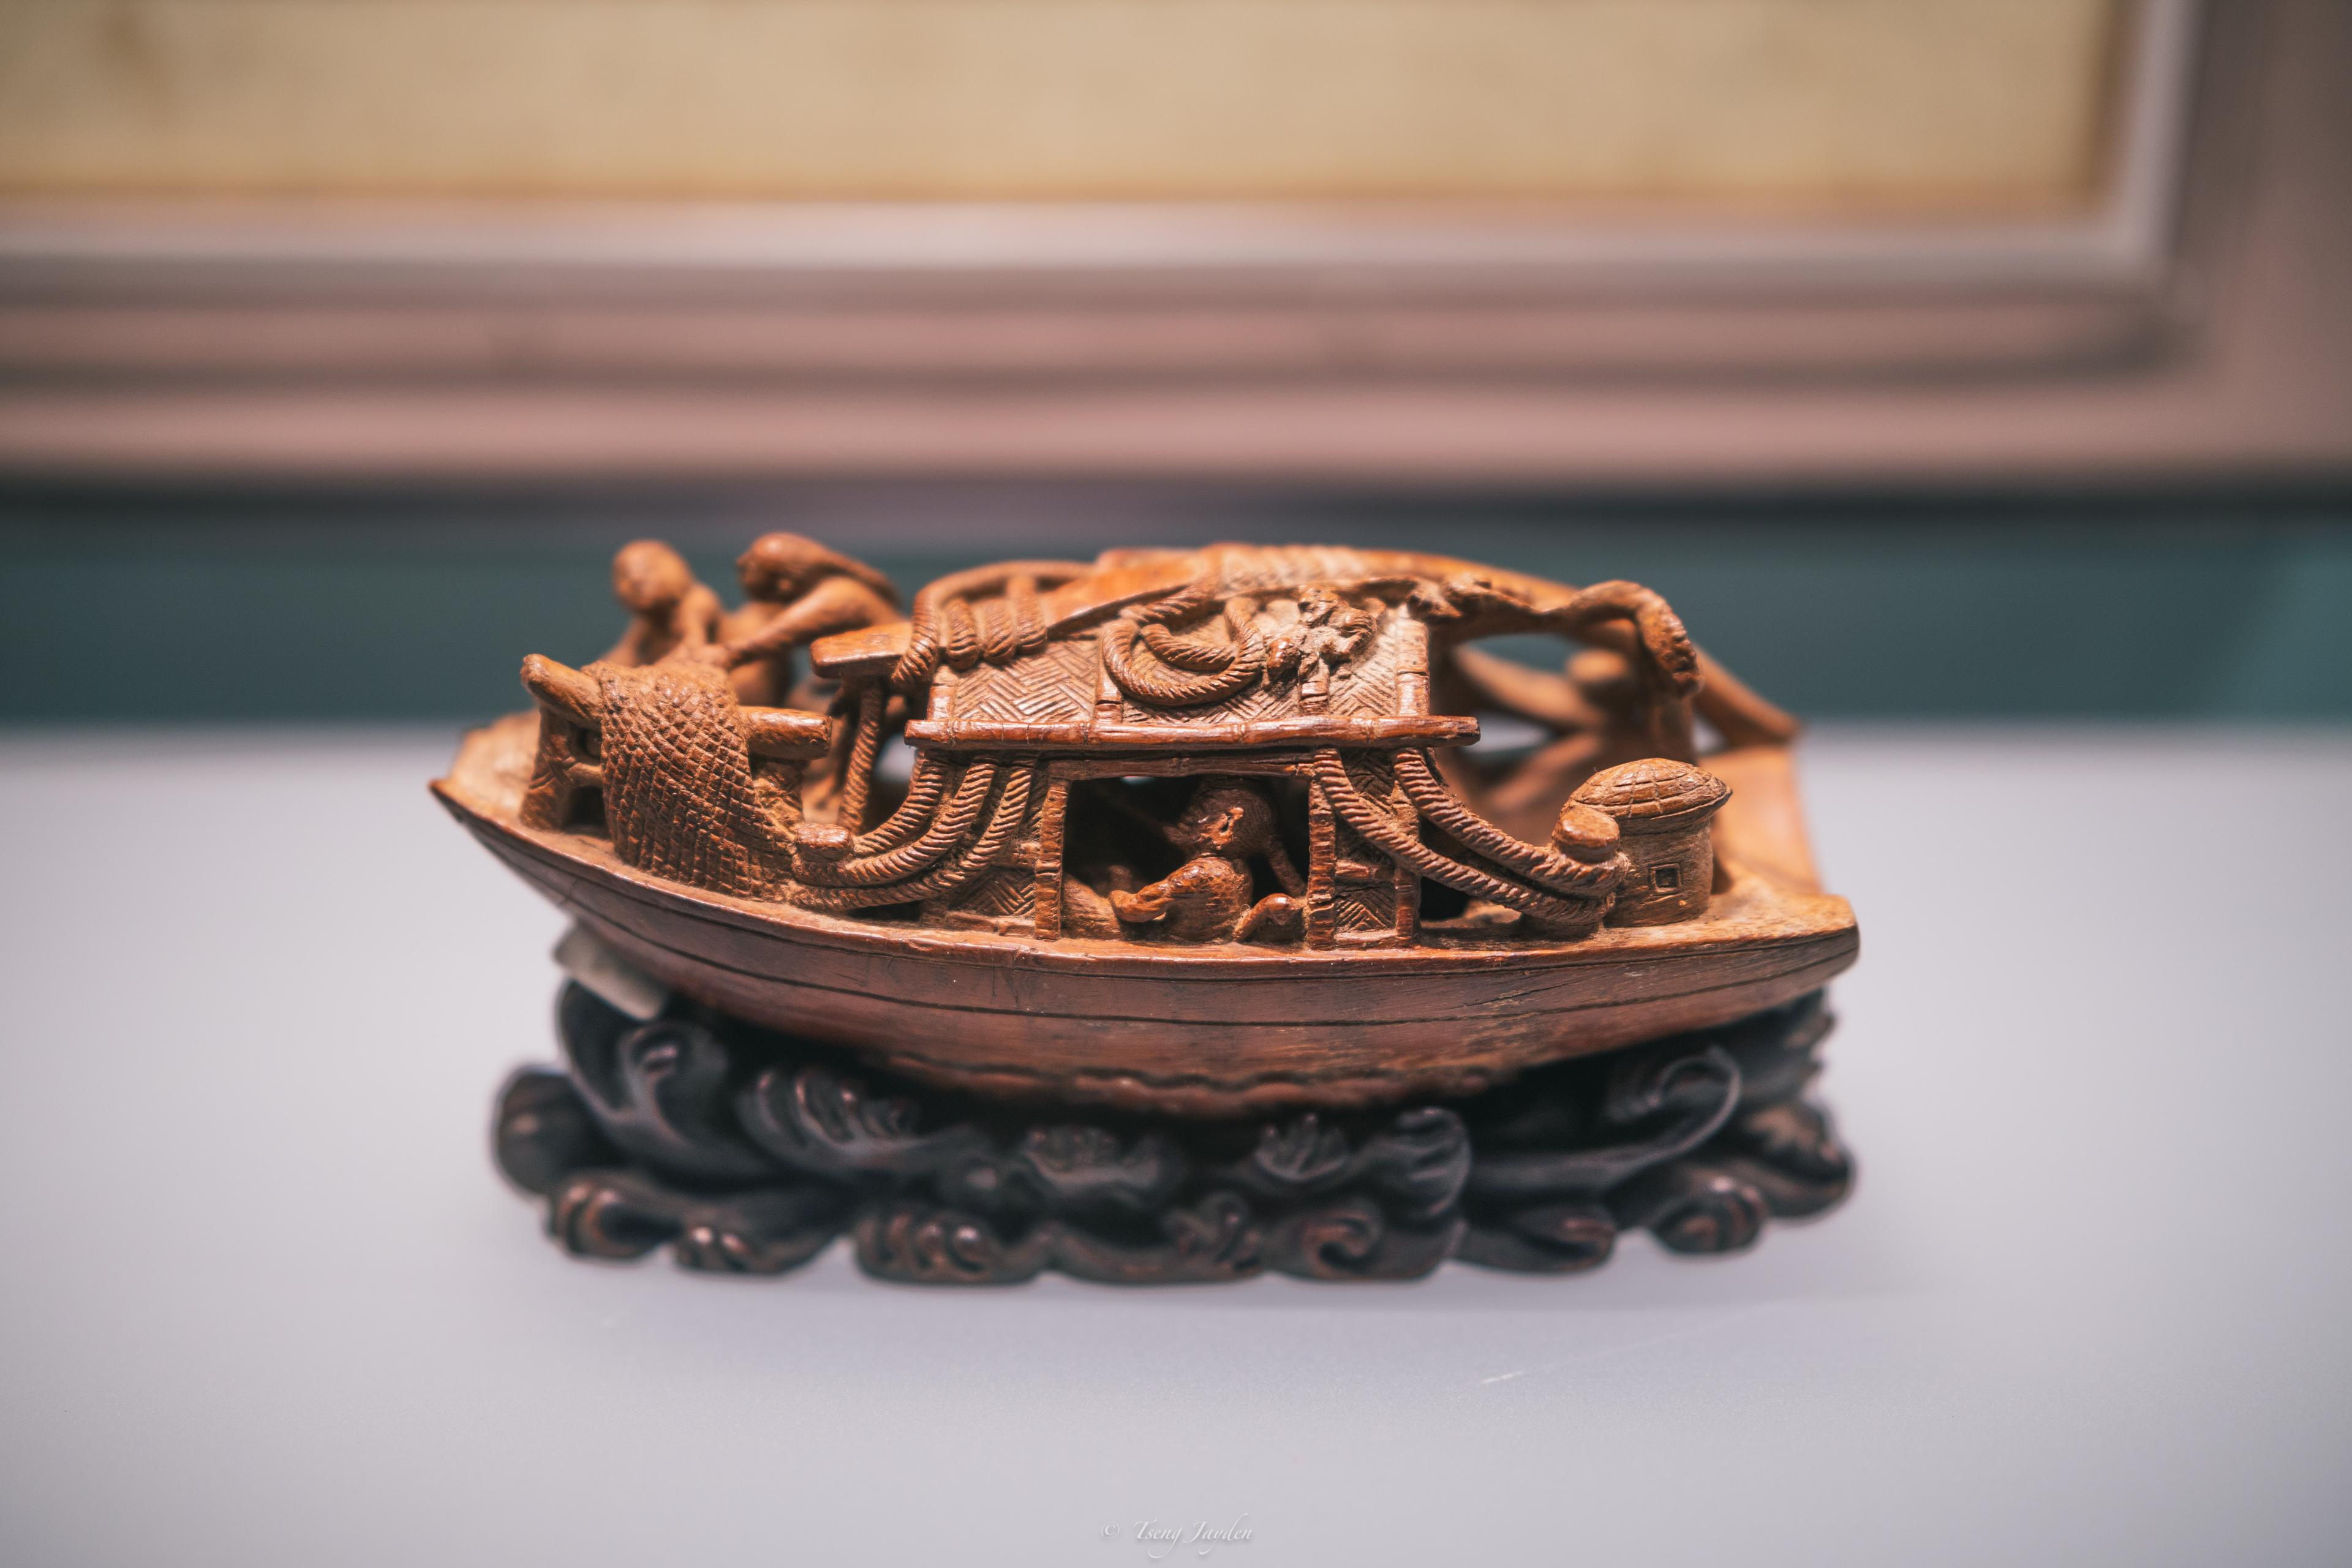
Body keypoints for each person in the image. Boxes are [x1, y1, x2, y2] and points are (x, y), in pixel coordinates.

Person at [704, 532, 902, 707]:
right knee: (799, 702)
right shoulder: (829, 589)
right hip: (872, 683)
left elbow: (764, 641)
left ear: (785, 585)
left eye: (755, 563)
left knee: (812, 713)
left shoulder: (836, 595)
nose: (741, 561)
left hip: (895, 684)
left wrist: (714, 656)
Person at [1109, 780, 1301, 944]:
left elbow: (1133, 909)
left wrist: (1114, 894)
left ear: (1226, 825)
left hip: (1176, 945)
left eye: (1200, 809)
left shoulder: (1198, 874)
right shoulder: (1240, 871)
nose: (1189, 814)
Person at [602, 540, 722, 668]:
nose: (636, 580)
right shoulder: (649, 621)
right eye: (625, 575)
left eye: (647, 571)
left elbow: (692, 651)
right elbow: (625, 653)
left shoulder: (697, 603)